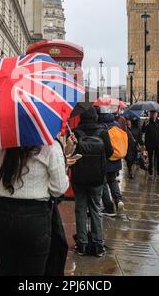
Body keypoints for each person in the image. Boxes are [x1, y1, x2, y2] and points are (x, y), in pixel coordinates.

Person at [0, 141, 69, 276]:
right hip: (34, 218)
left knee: (5, 268)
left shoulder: (0, 143)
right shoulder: (50, 146)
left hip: (1, 215)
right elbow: (58, 189)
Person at [70, 107, 114, 258]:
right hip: (97, 179)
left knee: (80, 210)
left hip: (79, 178)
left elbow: (69, 154)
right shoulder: (102, 132)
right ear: (95, 117)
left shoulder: (76, 132)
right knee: (96, 209)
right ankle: (98, 245)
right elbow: (110, 153)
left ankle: (82, 245)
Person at [98, 109, 125, 216]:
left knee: (103, 183)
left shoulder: (101, 127)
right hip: (116, 159)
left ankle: (109, 207)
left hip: (105, 160)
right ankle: (119, 200)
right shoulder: (116, 125)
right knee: (113, 181)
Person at [142, 111, 159, 180]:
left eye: (155, 113)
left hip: (158, 144)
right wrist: (144, 125)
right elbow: (143, 131)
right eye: (152, 113)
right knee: (150, 159)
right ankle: (150, 173)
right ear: (150, 114)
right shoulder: (147, 122)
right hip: (149, 144)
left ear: (157, 114)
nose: (153, 115)